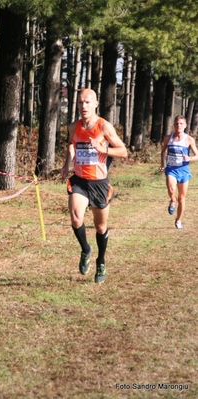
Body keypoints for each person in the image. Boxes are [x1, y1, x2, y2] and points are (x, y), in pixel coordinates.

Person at [61, 88, 127, 283]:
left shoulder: (104, 127)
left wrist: (103, 149)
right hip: (80, 180)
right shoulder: (73, 127)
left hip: (99, 183)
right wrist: (67, 164)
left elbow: (123, 151)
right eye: (81, 102)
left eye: (88, 102)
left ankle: (101, 260)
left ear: (96, 104)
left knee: (100, 227)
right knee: (75, 218)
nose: (83, 106)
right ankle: (86, 249)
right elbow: (71, 144)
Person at [160, 115, 198, 230]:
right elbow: (163, 151)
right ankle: (172, 200)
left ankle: (178, 220)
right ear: (174, 125)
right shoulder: (167, 138)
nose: (179, 126)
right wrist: (162, 163)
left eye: (181, 124)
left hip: (183, 170)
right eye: (177, 123)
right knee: (172, 189)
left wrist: (189, 158)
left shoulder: (189, 139)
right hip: (171, 169)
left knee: (182, 198)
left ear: (185, 125)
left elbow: (197, 155)